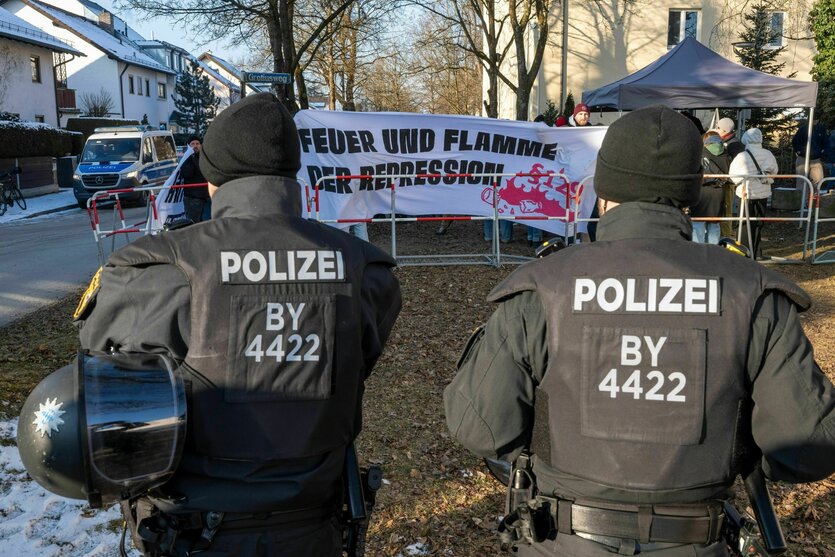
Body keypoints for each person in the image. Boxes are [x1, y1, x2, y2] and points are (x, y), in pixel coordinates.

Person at [444, 105, 835, 556]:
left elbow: (479, 427)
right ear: (689, 191)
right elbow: (810, 446)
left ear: (604, 189)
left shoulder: (546, 285)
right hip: (695, 540)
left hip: (561, 539)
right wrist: (733, 446)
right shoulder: (751, 292)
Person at [74, 93, 403, 556]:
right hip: (316, 526)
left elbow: (100, 371)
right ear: (291, 173)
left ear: (211, 179)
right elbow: (355, 360)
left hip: (191, 531)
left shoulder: (154, 270)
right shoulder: (365, 269)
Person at [729, 127, 778, 261]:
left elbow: (733, 175)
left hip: (746, 193)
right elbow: (774, 170)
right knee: (758, 222)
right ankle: (757, 252)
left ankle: (744, 252)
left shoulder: (742, 156)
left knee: (744, 224)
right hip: (763, 192)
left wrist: (741, 182)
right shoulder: (768, 154)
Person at [691, 131, 730, 244]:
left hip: (701, 192)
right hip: (719, 192)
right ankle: (713, 252)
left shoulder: (700, 153)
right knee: (714, 225)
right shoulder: (726, 155)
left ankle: (698, 251)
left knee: (698, 224)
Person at [714, 117, 744, 237]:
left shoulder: (734, 145)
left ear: (725, 130)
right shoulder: (731, 142)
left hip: (727, 182)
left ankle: (726, 236)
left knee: (726, 210)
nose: (716, 130)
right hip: (723, 181)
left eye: (718, 128)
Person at [179, 135, 211, 223]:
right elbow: (186, 173)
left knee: (208, 223)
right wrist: (190, 157)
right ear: (188, 146)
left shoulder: (205, 158)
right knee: (194, 225)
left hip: (206, 197)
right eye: (192, 144)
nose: (195, 146)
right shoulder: (186, 160)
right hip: (192, 199)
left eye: (197, 143)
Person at [792, 119, 829, 192]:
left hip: (816, 159)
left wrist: (822, 153)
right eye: (813, 119)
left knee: (818, 179)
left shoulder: (821, 129)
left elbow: (826, 143)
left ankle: (814, 198)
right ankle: (802, 200)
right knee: (801, 179)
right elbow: (795, 142)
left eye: (816, 119)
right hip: (803, 158)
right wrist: (800, 151)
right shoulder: (803, 129)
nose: (815, 121)